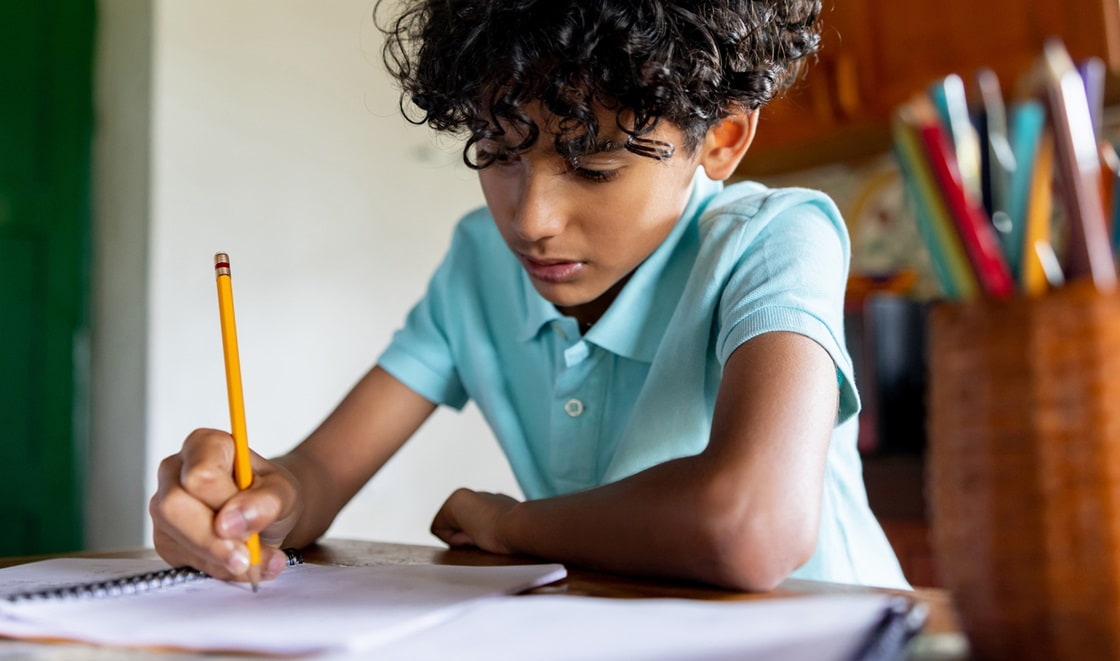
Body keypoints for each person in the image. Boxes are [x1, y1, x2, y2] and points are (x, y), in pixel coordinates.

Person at [149, 0, 908, 591]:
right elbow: (317, 475)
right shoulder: (479, 261)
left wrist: (515, 525)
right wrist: (255, 502)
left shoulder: (776, 239)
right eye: (498, 152)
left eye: (594, 165)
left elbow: (750, 524)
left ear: (720, 141)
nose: (530, 221)